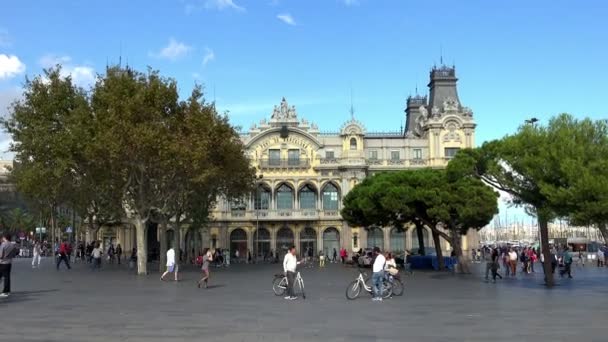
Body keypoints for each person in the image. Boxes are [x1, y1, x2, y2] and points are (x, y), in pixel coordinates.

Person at [0, 233, 19, 298]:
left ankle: (5, 291)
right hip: (9, 263)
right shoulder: (12, 245)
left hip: (2, 263)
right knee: (7, 277)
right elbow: (15, 253)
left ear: (4, 237)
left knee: (2, 277)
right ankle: (7, 291)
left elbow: (0, 255)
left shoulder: (3, 244)